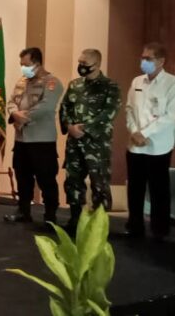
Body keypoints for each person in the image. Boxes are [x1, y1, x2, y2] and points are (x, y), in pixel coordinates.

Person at [59, 48, 120, 233]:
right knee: (73, 182)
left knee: (99, 184)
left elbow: (109, 114)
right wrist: (69, 126)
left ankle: (98, 224)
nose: (81, 66)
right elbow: (64, 107)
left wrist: (83, 129)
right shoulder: (75, 85)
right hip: (74, 144)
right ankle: (75, 219)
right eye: (80, 62)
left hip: (97, 144)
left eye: (84, 64)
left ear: (97, 64)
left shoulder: (110, 86)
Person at [124, 43, 175, 241]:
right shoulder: (137, 81)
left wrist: (145, 133)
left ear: (161, 61)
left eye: (148, 58)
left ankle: (159, 229)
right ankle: (134, 226)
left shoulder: (174, 84)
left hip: (158, 145)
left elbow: (169, 117)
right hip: (135, 144)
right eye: (142, 58)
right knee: (135, 188)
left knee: (159, 189)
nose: (143, 62)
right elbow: (129, 109)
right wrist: (134, 131)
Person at [4, 47, 63, 225]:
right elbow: (11, 101)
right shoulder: (22, 81)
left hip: (42, 140)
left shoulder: (52, 82)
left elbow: (46, 106)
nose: (23, 68)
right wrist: (14, 113)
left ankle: (50, 215)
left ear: (37, 63)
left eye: (26, 64)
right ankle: (23, 211)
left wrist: (24, 118)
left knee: (46, 178)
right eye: (21, 64)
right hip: (21, 139)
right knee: (22, 176)